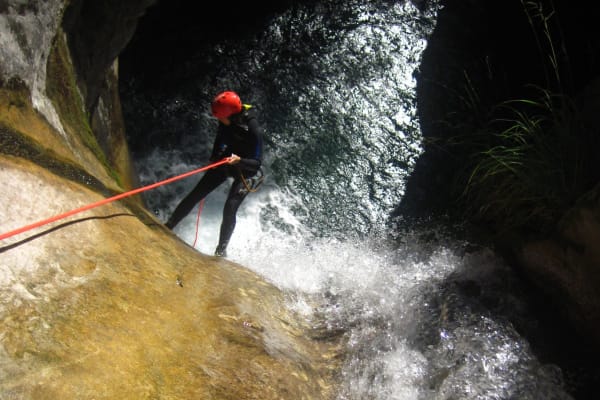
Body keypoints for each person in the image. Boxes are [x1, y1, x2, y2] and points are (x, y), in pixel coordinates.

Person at [165, 91, 264, 257]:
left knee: (230, 208)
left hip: (247, 169)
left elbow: (257, 162)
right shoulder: (226, 119)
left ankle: (220, 251)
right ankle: (169, 226)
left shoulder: (253, 128)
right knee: (197, 193)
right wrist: (214, 157)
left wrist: (239, 161)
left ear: (230, 115)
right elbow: (220, 138)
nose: (218, 119)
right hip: (227, 160)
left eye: (220, 116)